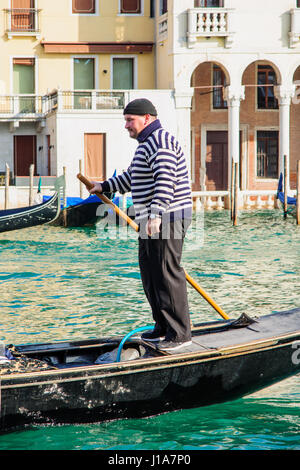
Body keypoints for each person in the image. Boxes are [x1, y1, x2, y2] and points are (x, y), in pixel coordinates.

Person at [89, 98, 193, 351]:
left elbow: (165, 179)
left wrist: (156, 214)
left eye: (129, 120)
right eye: (125, 120)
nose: (126, 125)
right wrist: (104, 186)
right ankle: (162, 326)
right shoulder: (145, 145)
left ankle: (180, 333)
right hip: (151, 219)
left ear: (147, 118)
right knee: (150, 272)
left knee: (167, 273)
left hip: (168, 217)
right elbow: (131, 178)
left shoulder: (161, 141)